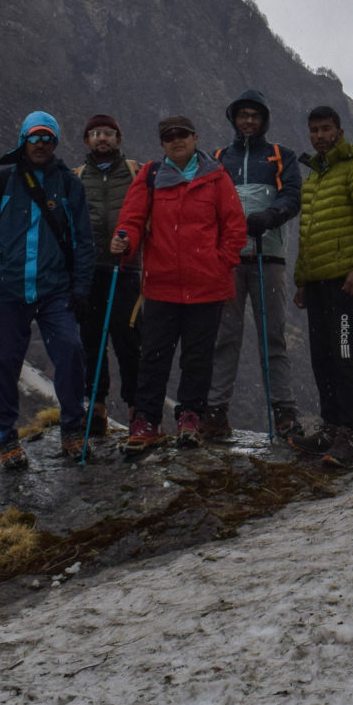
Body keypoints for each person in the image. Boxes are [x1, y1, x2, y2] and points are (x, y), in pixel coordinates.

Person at [110, 115, 246, 451]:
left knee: (197, 358)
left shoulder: (216, 177)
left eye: (182, 134)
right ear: (162, 144)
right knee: (154, 356)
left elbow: (234, 226)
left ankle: (190, 417)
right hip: (162, 286)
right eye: (169, 136)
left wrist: (220, 263)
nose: (176, 140)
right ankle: (146, 421)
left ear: (195, 137)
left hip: (206, 286)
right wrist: (124, 241)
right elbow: (132, 218)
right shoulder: (151, 176)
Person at [0, 111, 94, 470]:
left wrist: (81, 288)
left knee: (70, 352)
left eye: (47, 138)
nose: (41, 145)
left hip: (55, 289)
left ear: (55, 143)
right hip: (7, 290)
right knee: (4, 363)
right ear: (22, 140)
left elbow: (83, 241)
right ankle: (6, 438)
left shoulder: (69, 185)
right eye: (34, 138)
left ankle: (72, 427)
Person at [292, 105, 353, 467]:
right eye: (314, 130)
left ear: (339, 131)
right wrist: (301, 279)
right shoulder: (314, 178)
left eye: (326, 129)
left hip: (343, 284)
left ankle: (347, 435)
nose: (319, 136)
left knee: (345, 355)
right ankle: (330, 428)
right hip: (316, 284)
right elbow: (308, 235)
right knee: (322, 357)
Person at [203, 88, 304, 441]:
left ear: (264, 120)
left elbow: (294, 195)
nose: (248, 121)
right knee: (224, 336)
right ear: (234, 119)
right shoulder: (218, 158)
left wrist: (272, 215)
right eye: (243, 115)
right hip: (227, 259)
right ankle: (215, 413)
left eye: (255, 115)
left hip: (268, 255)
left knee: (272, 335)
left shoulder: (280, 156)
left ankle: (284, 413)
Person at [75, 114, 145, 439]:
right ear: (86, 140)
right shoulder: (76, 178)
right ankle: (97, 408)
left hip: (126, 269)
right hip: (90, 271)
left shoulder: (136, 172)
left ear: (119, 138)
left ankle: (135, 410)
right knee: (92, 341)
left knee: (128, 340)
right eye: (95, 133)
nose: (102, 138)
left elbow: (149, 215)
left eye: (108, 133)